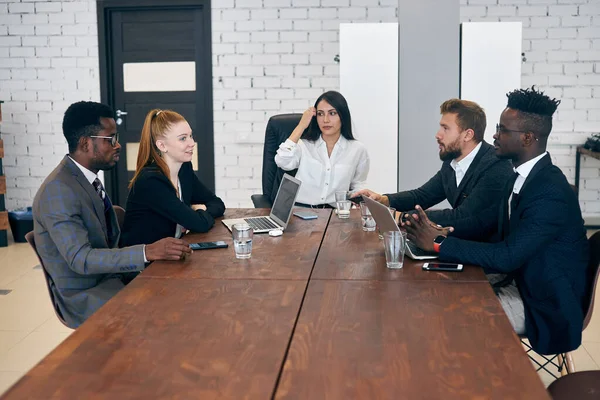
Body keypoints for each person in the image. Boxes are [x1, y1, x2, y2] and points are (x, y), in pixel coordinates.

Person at [404, 87, 590, 355]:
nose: (493, 135)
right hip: (518, 280)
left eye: (503, 130)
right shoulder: (519, 177)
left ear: (527, 138)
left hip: (543, 302)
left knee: (447, 317)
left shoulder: (550, 191)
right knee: (434, 291)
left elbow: (507, 256)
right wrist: (438, 231)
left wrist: (438, 243)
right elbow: (484, 222)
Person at [32, 101, 191, 328]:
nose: (118, 146)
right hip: (86, 294)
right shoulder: (58, 191)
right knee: (169, 314)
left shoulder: (85, 178)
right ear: (86, 143)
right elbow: (81, 259)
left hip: (112, 277)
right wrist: (147, 252)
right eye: (111, 139)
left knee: (182, 292)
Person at [355, 99, 513, 241]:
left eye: (445, 128)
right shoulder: (452, 162)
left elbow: (464, 217)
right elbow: (423, 195)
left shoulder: (496, 166)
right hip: (461, 245)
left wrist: (403, 217)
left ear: (467, 135)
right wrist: (383, 200)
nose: (438, 135)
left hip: (484, 263)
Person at [121, 109, 225, 246]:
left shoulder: (184, 169)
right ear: (162, 145)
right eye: (183, 138)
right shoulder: (151, 181)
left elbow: (217, 203)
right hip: (147, 264)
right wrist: (199, 210)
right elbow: (200, 224)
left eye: (191, 136)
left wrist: (199, 213)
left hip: (172, 254)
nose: (192, 143)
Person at [274, 91, 369, 208]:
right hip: (300, 212)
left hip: (336, 215)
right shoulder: (304, 145)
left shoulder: (357, 149)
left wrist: (358, 199)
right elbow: (282, 161)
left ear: (342, 116)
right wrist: (301, 125)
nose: (325, 120)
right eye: (320, 114)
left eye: (332, 113)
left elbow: (358, 184)